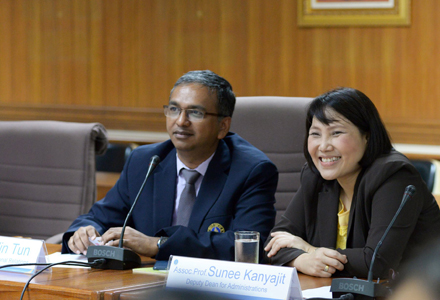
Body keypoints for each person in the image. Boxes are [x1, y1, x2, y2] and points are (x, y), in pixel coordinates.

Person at [62, 70, 278, 261]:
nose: (181, 121)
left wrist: (158, 245)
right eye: (174, 109)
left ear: (223, 126)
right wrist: (84, 232)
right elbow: (100, 217)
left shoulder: (252, 170)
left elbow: (248, 246)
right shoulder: (145, 161)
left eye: (195, 113)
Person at [264, 87, 440, 279]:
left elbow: (376, 262)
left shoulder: (394, 176)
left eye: (336, 133)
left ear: (367, 136)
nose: (323, 146)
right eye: (315, 134)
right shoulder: (316, 175)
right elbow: (274, 243)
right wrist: (301, 260)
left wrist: (309, 249)